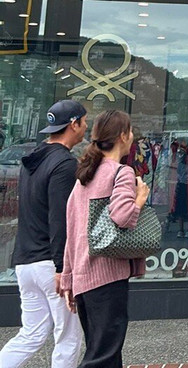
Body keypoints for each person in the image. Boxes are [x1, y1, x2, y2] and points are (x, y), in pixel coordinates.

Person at [0, 100, 87, 368]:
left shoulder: (32, 161)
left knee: (31, 334)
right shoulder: (64, 164)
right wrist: (62, 268)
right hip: (51, 264)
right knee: (68, 337)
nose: (86, 127)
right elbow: (61, 220)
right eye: (84, 121)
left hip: (25, 260)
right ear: (73, 124)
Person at [59, 110, 149, 368]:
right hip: (107, 278)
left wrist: (68, 278)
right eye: (130, 131)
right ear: (122, 136)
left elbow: (72, 230)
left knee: (104, 354)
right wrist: (140, 198)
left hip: (84, 279)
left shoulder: (85, 175)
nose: (132, 136)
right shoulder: (120, 173)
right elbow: (122, 216)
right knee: (103, 357)